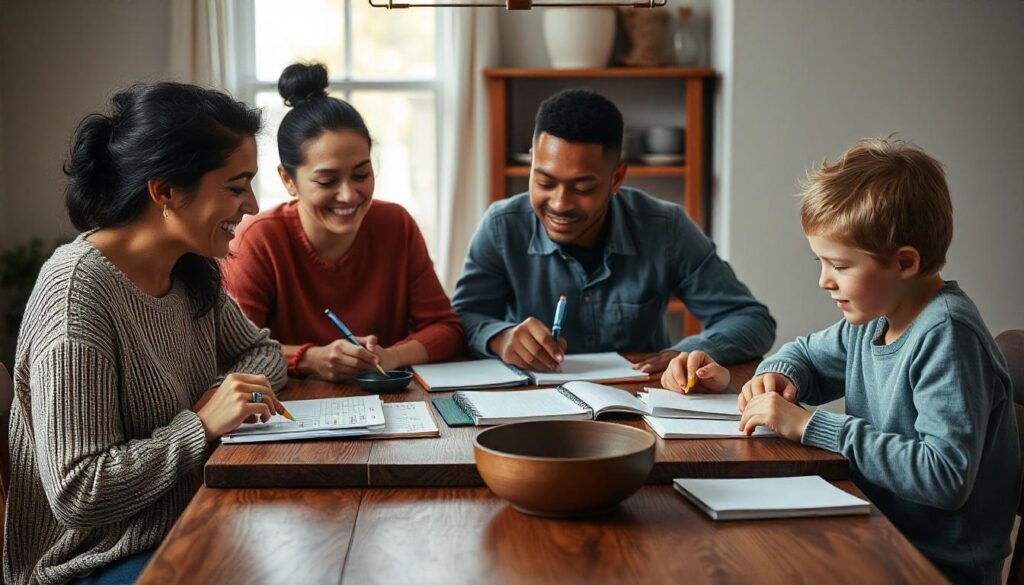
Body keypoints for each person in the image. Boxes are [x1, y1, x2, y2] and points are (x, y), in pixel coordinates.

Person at [662, 137, 1020, 585]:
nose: (824, 281)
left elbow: (944, 475)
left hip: (934, 566)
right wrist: (776, 376)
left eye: (839, 265)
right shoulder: (873, 320)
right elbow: (805, 354)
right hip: (875, 533)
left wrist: (811, 426)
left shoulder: (948, 336)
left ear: (904, 262)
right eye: (820, 262)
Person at [3, 82, 288, 585]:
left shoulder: (188, 270)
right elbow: (78, 491)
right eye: (236, 186)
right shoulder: (76, 294)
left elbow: (262, 352)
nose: (253, 206)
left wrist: (226, 395)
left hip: (188, 520)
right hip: (92, 563)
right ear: (164, 191)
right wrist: (199, 426)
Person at [452, 88, 775, 374]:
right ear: (532, 164)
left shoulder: (665, 228)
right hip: (534, 405)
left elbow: (751, 320)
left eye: (582, 187)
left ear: (617, 178)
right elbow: (462, 319)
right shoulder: (501, 226)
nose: (560, 203)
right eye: (544, 182)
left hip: (640, 406)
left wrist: (685, 352)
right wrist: (499, 337)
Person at [222, 63, 464, 381]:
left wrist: (390, 356)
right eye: (327, 181)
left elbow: (447, 329)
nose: (350, 195)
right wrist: (309, 359)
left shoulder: (396, 225)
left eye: (362, 174)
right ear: (288, 180)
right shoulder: (259, 239)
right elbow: (232, 351)